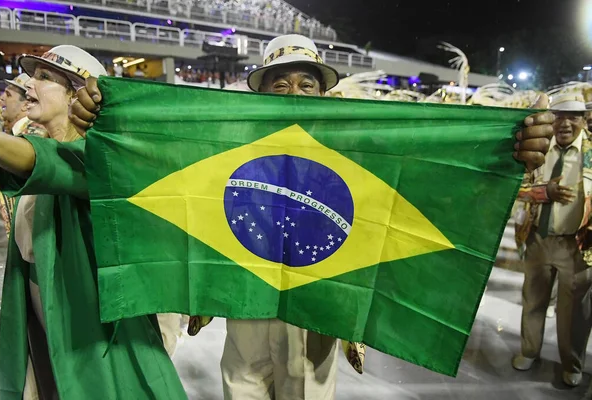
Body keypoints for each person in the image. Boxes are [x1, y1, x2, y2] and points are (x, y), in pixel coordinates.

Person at [70, 34, 556, 400]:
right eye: (281, 84)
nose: (295, 92)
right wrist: (106, 117)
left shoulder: (360, 155)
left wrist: (507, 153)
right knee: (240, 387)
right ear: (261, 93)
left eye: (307, 83)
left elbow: (437, 186)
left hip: (319, 309)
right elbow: (156, 158)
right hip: (246, 304)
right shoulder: (227, 144)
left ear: (325, 94)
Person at [0, 45, 187, 400]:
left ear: (76, 96)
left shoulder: (100, 157)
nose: (30, 85)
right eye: (32, 76)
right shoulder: (37, 142)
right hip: (43, 309)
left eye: (44, 78)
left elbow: (54, 165)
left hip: (92, 320)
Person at [512, 93, 592, 387]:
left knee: (575, 313)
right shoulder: (535, 149)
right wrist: (545, 193)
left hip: (579, 245)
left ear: (584, 120)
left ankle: (572, 363)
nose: (565, 123)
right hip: (538, 238)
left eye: (573, 116)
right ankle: (529, 351)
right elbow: (515, 188)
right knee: (533, 300)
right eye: (559, 115)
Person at [0, 73, 47, 237]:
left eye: (9, 94)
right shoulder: (16, 133)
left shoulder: (34, 134)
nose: (1, 98)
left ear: (26, 104)